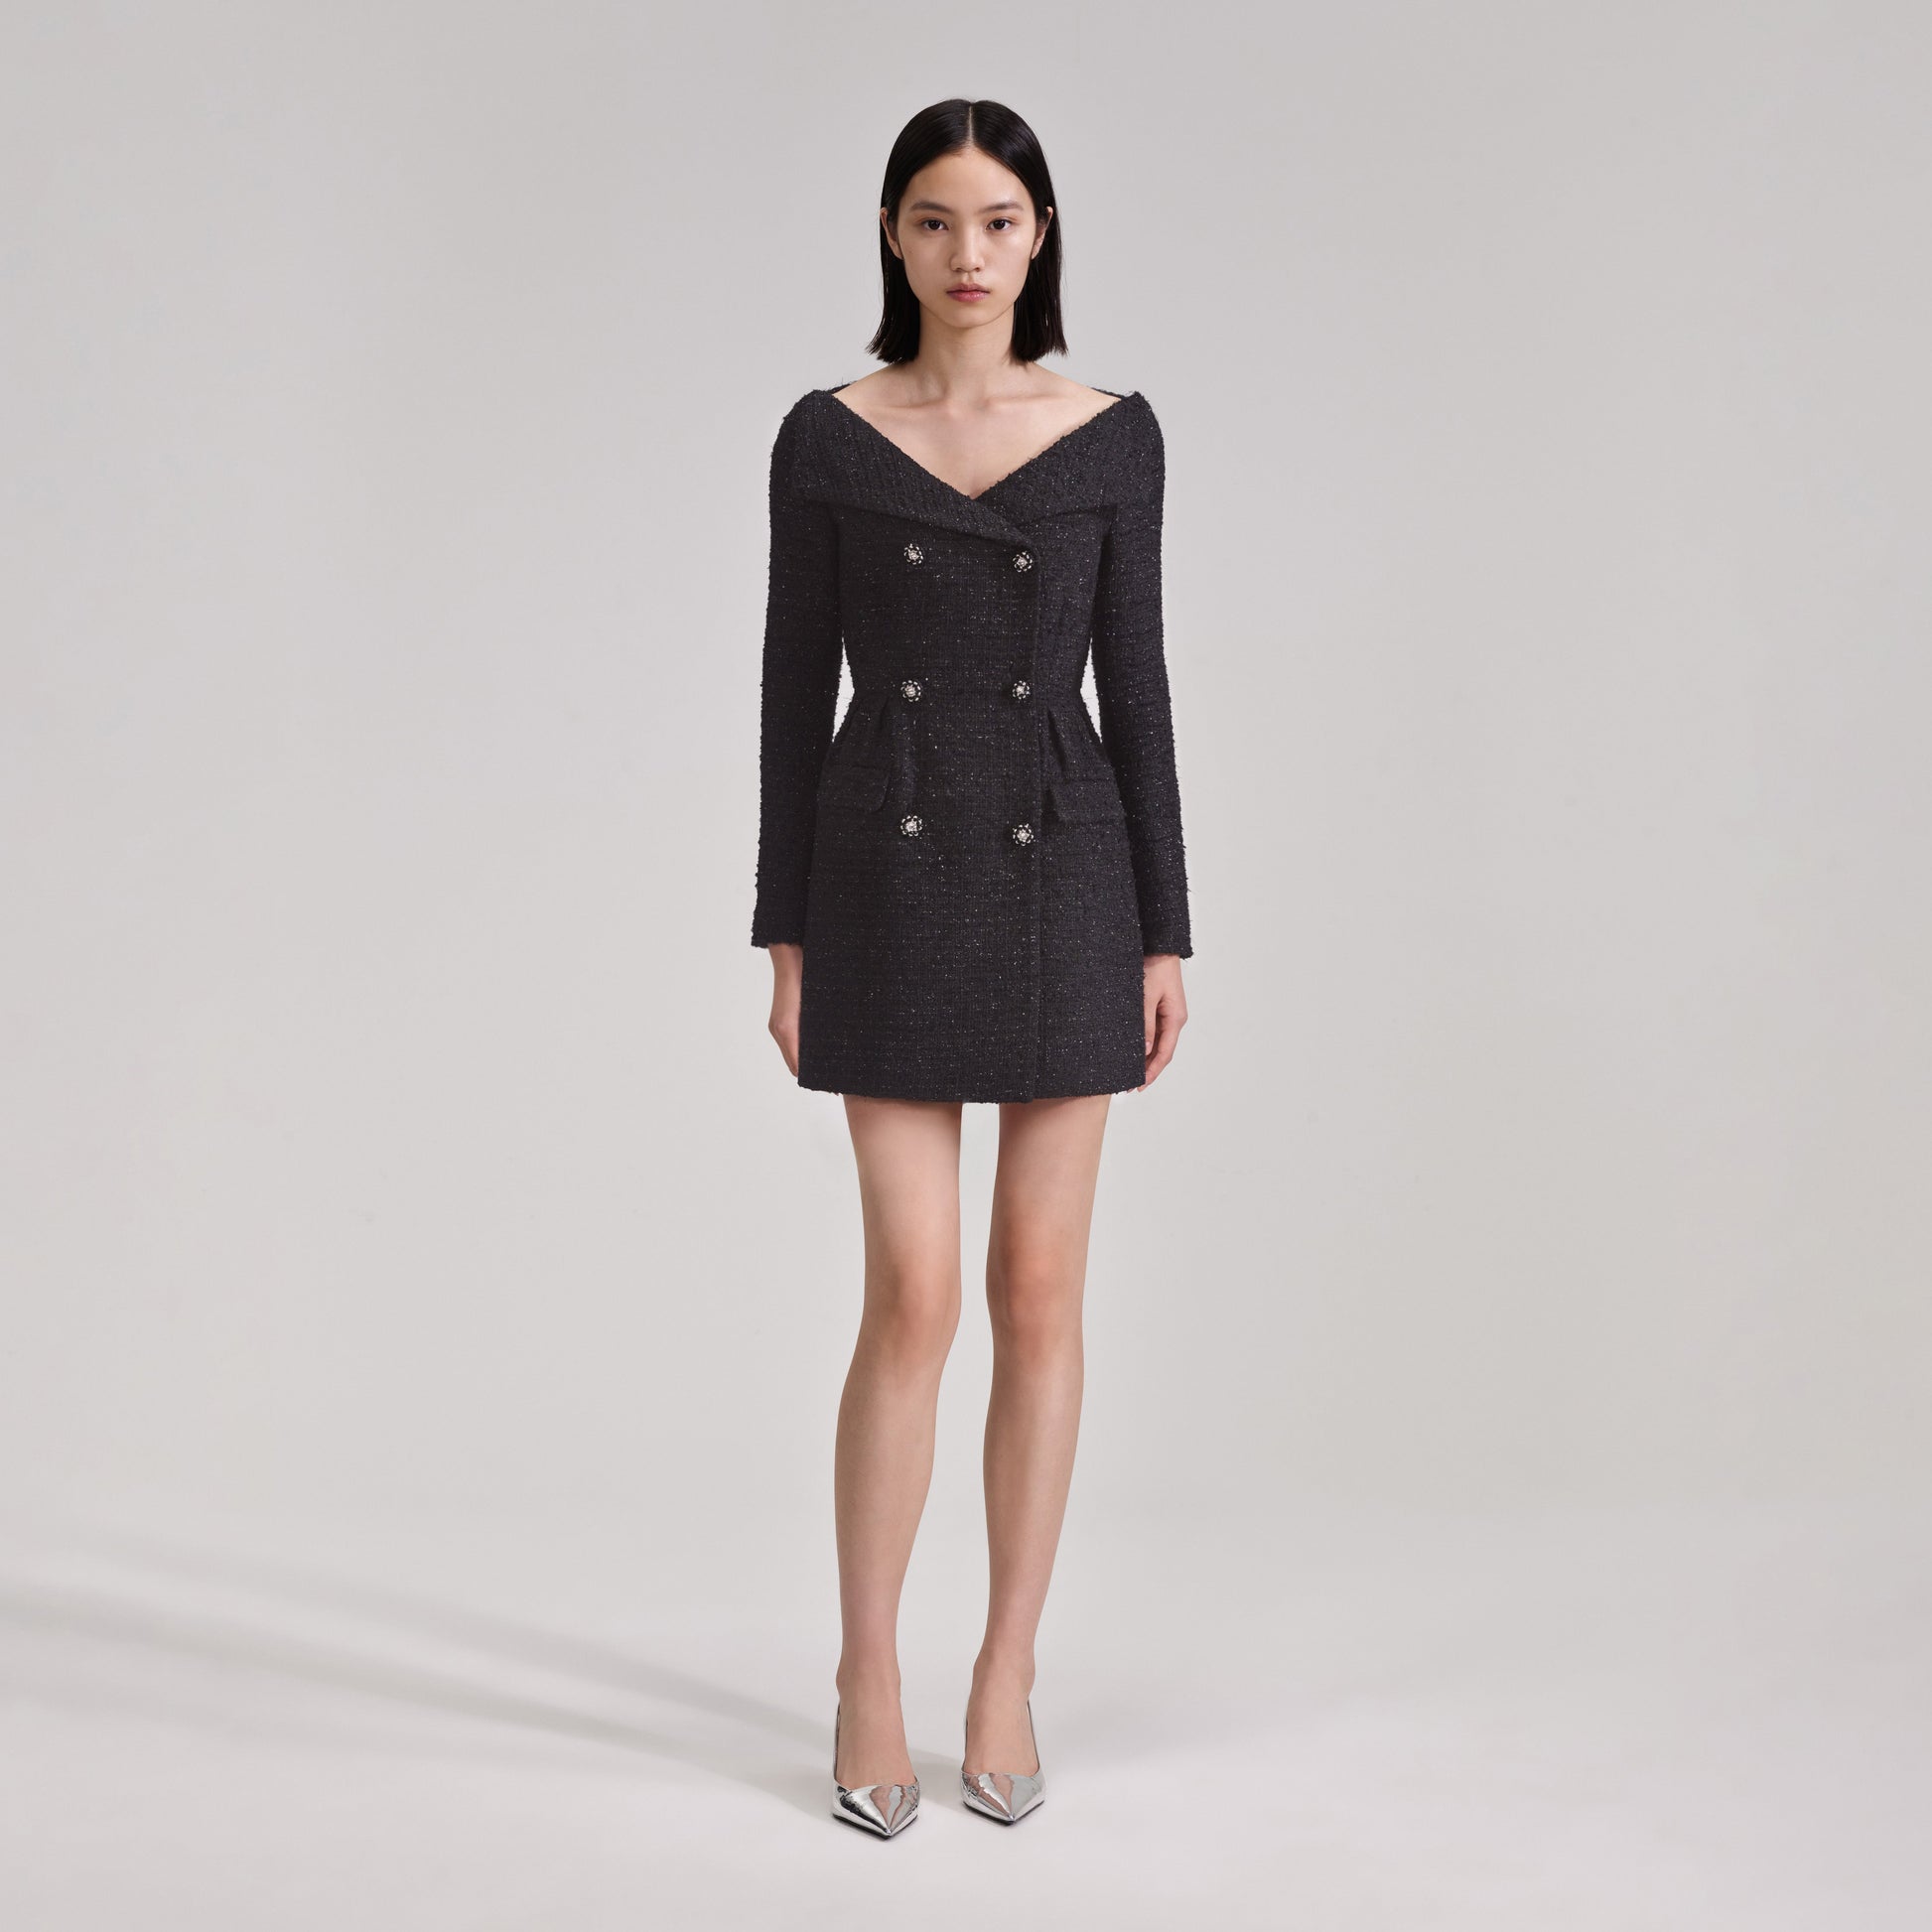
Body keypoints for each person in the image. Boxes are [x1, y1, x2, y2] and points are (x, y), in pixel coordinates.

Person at [751, 96, 1193, 1838]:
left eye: (998, 221)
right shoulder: (826, 436)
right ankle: (866, 1670)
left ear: (1040, 236)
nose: (967, 253)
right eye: (934, 220)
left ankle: (1004, 1668)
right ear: (891, 235)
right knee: (914, 1293)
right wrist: (781, 922)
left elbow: (1135, 689)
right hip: (883, 867)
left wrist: (1164, 928)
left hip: (1068, 874)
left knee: (1038, 1287)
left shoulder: (1110, 437)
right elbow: (791, 682)